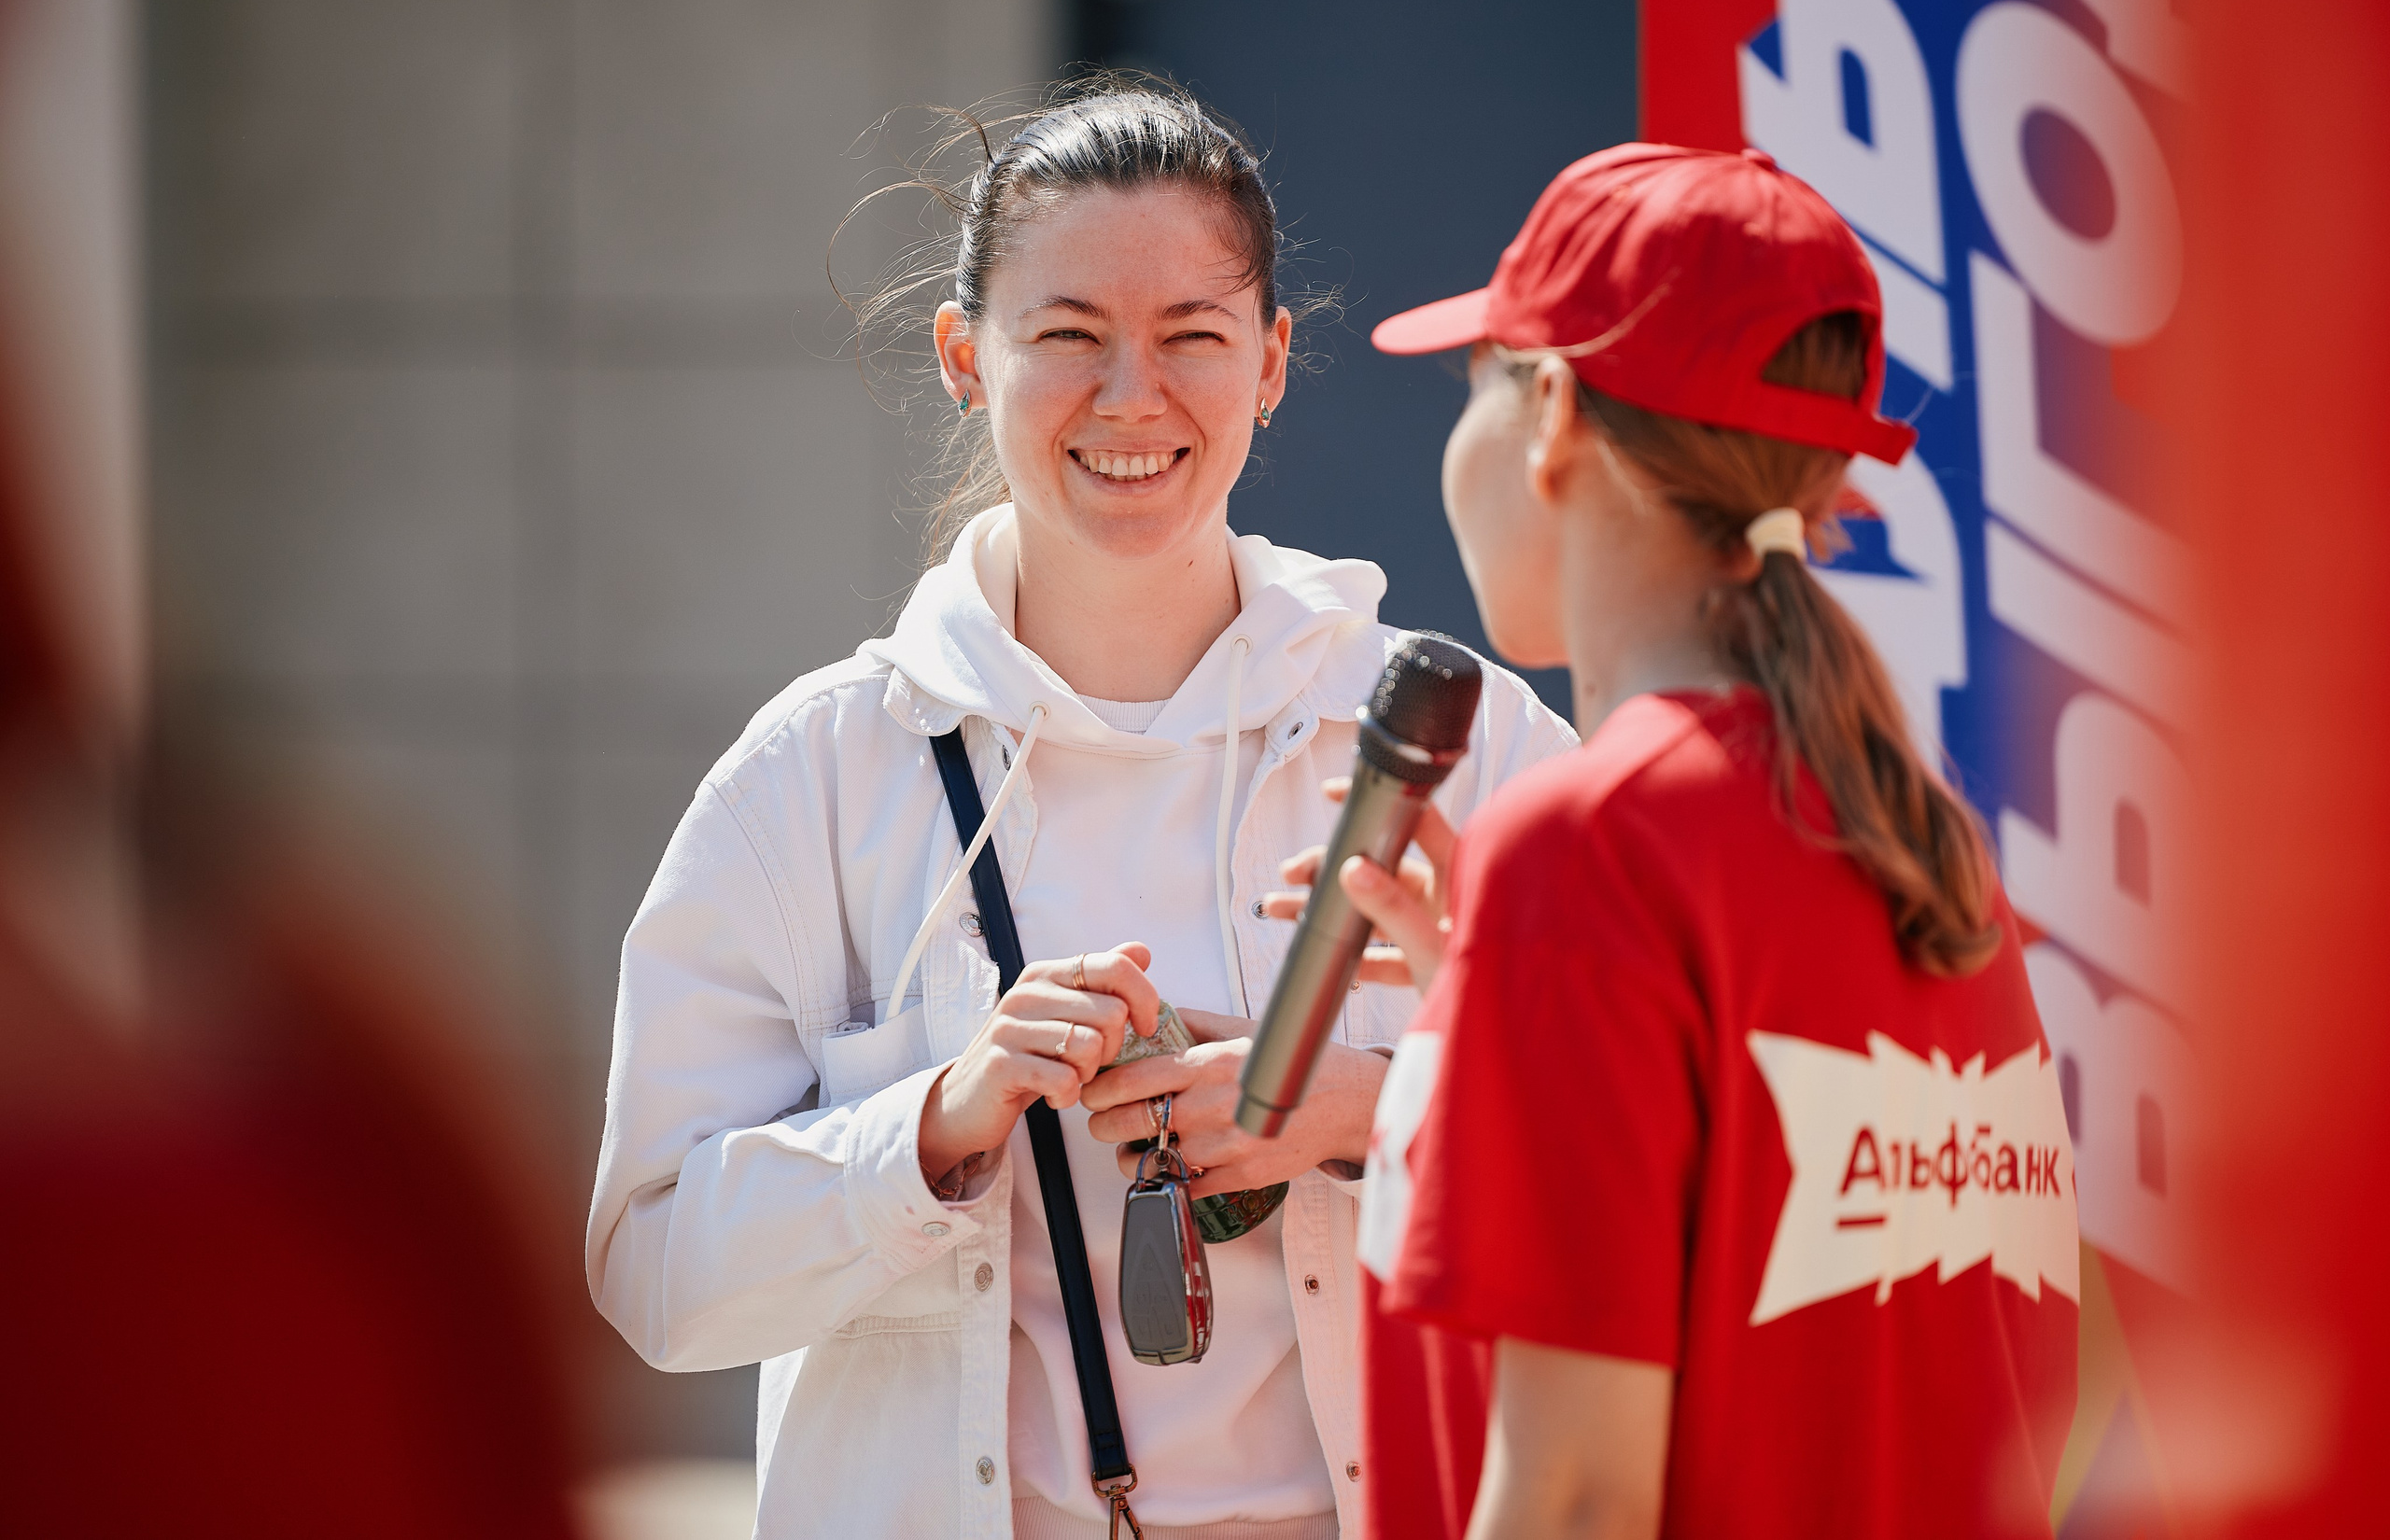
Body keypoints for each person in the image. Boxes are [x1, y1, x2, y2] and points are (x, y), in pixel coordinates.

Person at [583, 81, 1575, 1540]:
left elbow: (1661, 1169)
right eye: (1066, 336)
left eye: (1193, 337)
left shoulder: (1451, 744)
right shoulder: (817, 773)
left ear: (1275, 361)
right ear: (962, 358)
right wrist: (936, 1121)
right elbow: (652, 1271)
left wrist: (1364, 1115)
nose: (1132, 398)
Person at [1325, 146, 2081, 1539]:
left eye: (1473, 378)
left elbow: (1573, 1505)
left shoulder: (1592, 846)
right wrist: (1484, 1027)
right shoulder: (1917, 840)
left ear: (1549, 409)